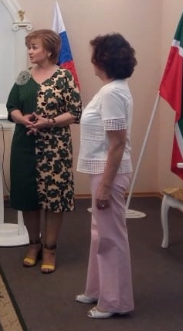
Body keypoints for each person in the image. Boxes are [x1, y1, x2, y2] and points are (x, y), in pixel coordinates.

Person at [6, 29, 82, 274]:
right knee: (28, 199)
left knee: (54, 199)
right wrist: (22, 119)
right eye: (29, 47)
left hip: (55, 148)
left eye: (34, 47)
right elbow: (11, 106)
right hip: (25, 145)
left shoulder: (64, 76)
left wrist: (48, 122)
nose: (30, 51)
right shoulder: (23, 76)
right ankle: (33, 245)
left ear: (49, 51)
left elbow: (75, 112)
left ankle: (50, 249)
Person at [74, 32, 137, 319]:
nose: (91, 61)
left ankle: (114, 301)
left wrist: (105, 187)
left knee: (111, 237)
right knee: (100, 233)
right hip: (102, 170)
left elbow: (118, 143)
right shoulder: (111, 89)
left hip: (108, 172)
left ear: (103, 60)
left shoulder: (112, 93)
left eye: (94, 56)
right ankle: (98, 289)